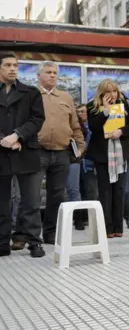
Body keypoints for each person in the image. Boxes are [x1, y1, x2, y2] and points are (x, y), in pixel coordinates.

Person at [31, 61, 85, 245]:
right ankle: (29, 235)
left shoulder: (66, 97)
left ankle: (50, 233)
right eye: (48, 72)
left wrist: (80, 146)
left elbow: (75, 126)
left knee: (57, 195)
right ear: (39, 75)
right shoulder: (30, 96)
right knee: (31, 195)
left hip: (61, 153)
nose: (52, 75)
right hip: (36, 152)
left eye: (55, 72)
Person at [0, 52, 46, 258]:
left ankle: (34, 242)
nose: (12, 68)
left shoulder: (31, 93)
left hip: (26, 151)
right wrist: (4, 139)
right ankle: (2, 243)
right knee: (2, 201)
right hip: (2, 152)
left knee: (31, 201)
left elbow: (37, 119)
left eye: (15, 65)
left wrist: (18, 136)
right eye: (8, 65)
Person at [85, 80, 129, 238]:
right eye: (108, 92)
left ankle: (118, 228)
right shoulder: (92, 107)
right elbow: (93, 127)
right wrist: (106, 111)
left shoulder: (123, 105)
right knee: (105, 192)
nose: (112, 95)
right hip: (102, 155)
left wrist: (121, 132)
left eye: (114, 91)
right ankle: (107, 228)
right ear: (102, 93)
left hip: (120, 154)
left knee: (119, 191)